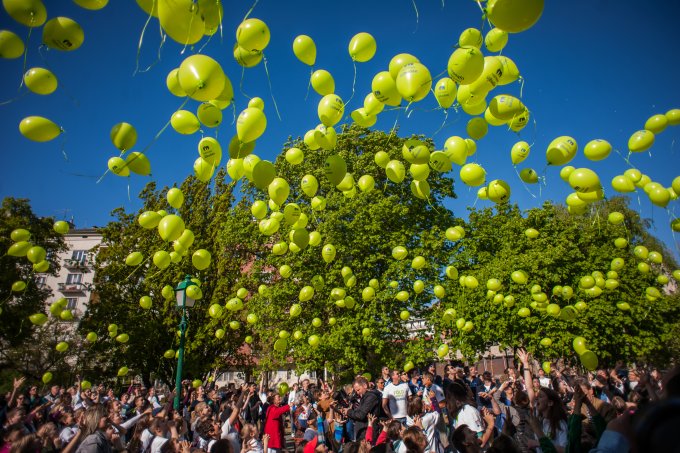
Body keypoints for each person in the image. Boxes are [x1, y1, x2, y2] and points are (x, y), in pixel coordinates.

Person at [343, 377, 380, 442]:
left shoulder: (371, 397)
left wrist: (348, 412)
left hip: (368, 432)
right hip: (362, 431)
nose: (357, 393)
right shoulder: (365, 396)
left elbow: (361, 415)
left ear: (365, 386)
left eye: (358, 390)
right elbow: (359, 413)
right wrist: (349, 414)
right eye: (356, 391)